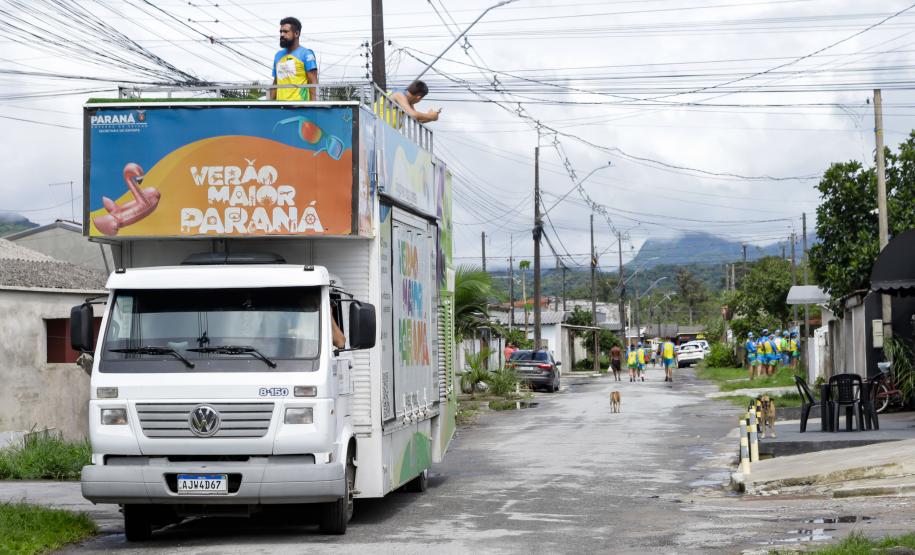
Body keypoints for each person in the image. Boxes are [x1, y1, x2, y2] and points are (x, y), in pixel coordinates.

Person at [270, 17, 318, 101]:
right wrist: (269, 105)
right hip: (280, 108)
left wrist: (313, 108)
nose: (282, 35)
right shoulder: (278, 55)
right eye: (280, 32)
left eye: (285, 32)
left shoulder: (306, 54)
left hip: (300, 108)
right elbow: (275, 83)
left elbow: (313, 82)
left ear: (296, 33)